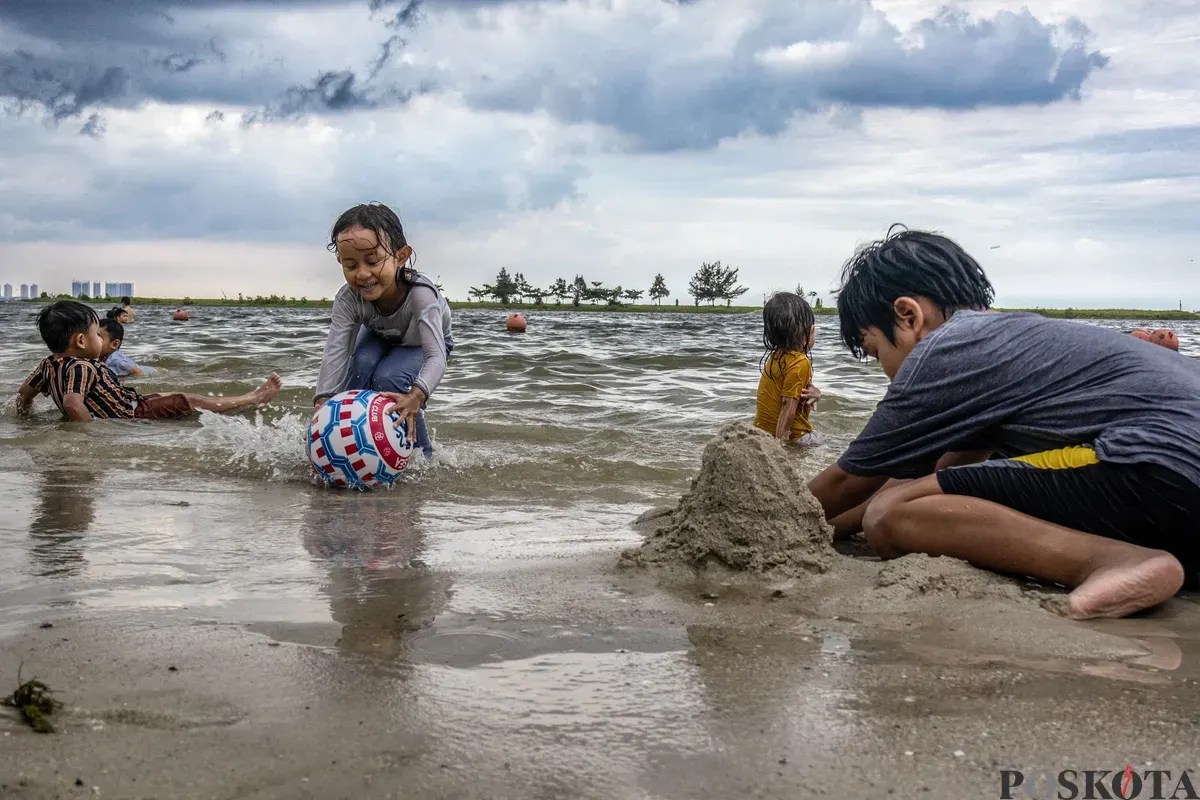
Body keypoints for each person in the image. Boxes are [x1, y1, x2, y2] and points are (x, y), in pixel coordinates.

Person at [807, 225, 1200, 620]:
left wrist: (776, 520)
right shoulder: (1017, 339)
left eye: (876, 353)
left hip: (1158, 463)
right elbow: (945, 472)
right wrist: (830, 528)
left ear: (908, 316)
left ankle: (1109, 562)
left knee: (890, 515)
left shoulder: (946, 348)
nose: (885, 372)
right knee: (909, 502)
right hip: (1175, 480)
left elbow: (849, 482)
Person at [313, 203, 453, 457]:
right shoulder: (348, 299)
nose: (363, 274)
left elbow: (436, 356)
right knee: (361, 366)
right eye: (350, 265)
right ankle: (356, 447)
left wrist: (416, 395)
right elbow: (336, 350)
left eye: (372, 261)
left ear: (401, 256)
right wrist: (323, 403)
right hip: (380, 335)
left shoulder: (421, 296)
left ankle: (423, 456)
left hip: (422, 344)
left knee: (390, 378)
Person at [17, 300, 280, 422]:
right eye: (96, 333)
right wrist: (88, 434)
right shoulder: (81, 366)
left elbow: (24, 393)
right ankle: (250, 399)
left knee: (166, 394)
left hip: (131, 403)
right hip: (130, 413)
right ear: (82, 342)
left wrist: (25, 418)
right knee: (191, 400)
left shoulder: (48, 365)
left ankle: (239, 404)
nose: (99, 339)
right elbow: (73, 404)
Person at [753, 291, 821, 444]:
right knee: (838, 447)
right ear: (810, 332)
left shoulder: (776, 357)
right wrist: (780, 444)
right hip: (794, 437)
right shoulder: (801, 362)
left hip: (762, 432)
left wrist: (816, 393)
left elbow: (782, 393)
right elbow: (787, 404)